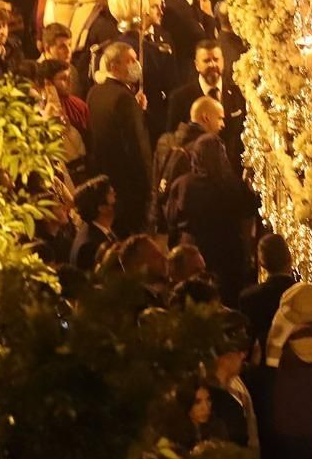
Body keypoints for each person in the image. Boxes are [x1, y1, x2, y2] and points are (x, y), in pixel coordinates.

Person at [168, 123, 260, 303]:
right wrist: (248, 252)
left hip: (193, 253)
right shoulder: (234, 187)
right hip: (228, 254)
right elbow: (248, 219)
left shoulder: (183, 185)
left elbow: (172, 219)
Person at [86, 41, 153, 235]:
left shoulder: (94, 92)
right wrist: (148, 184)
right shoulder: (124, 98)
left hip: (106, 178)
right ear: (114, 66)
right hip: (129, 185)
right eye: (130, 61)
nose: (136, 65)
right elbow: (137, 145)